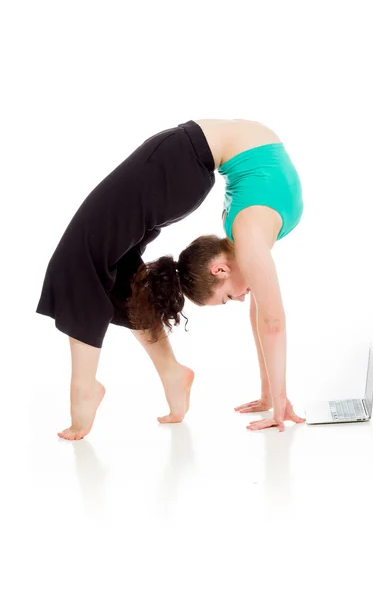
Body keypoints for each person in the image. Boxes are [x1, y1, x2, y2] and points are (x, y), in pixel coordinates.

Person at [36, 119, 305, 440]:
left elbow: (269, 319)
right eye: (230, 298)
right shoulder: (249, 239)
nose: (244, 297)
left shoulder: (247, 238)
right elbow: (268, 318)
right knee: (103, 263)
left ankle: (101, 386)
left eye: (230, 297)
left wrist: (275, 398)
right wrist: (274, 398)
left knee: (84, 258)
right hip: (187, 158)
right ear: (220, 268)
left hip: (186, 158)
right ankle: (165, 374)